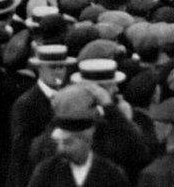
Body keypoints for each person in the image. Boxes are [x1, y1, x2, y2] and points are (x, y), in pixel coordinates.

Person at [27, 84, 129, 187]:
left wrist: (109, 107)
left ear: (88, 136)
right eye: (60, 141)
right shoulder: (46, 172)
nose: (61, 148)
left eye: (68, 142)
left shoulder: (111, 175)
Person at [8, 44, 74, 187]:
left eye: (61, 67)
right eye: (52, 67)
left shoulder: (70, 96)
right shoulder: (26, 104)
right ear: (40, 69)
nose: (58, 72)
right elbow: (21, 152)